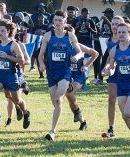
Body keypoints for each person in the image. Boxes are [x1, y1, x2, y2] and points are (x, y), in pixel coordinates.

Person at [38, 10, 83, 141]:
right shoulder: (47, 35)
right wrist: (41, 64)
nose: (57, 23)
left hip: (65, 71)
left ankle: (52, 131)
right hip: (52, 73)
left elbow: (80, 53)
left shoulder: (70, 36)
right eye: (56, 20)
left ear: (65, 22)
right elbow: (40, 55)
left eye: (60, 21)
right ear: (53, 21)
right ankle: (80, 117)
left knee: (58, 99)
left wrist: (75, 56)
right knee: (56, 103)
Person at [0, 19, 30, 129]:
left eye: (2, 31)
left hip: (11, 76)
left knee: (17, 100)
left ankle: (25, 112)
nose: (0, 33)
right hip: (0, 75)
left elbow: (21, 60)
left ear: (8, 31)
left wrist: (8, 56)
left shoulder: (14, 45)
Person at [100, 16, 124, 138]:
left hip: (126, 74)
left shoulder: (127, 40)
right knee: (111, 100)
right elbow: (109, 58)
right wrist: (105, 69)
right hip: (113, 74)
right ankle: (111, 128)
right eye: (113, 24)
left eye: (117, 24)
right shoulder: (108, 40)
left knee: (124, 103)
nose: (114, 26)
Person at [66, 42, 99, 130]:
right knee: (71, 102)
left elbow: (95, 53)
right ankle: (82, 122)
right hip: (66, 75)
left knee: (69, 92)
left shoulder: (78, 46)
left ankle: (78, 113)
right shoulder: (61, 44)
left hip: (78, 76)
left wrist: (86, 65)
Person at [74, 8, 97, 78]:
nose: (86, 15)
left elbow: (95, 32)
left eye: (87, 14)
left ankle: (85, 76)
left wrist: (89, 28)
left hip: (87, 42)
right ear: (81, 13)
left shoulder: (90, 21)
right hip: (78, 42)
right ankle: (76, 74)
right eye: (85, 14)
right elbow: (70, 32)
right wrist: (76, 27)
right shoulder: (76, 20)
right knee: (77, 59)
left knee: (87, 59)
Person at [30, 13, 49, 78]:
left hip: (46, 45)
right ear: (38, 19)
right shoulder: (35, 27)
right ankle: (41, 74)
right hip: (37, 45)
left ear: (44, 19)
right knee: (38, 59)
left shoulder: (46, 27)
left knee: (46, 59)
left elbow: (49, 36)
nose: (41, 19)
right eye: (39, 18)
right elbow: (32, 36)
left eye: (42, 18)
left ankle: (47, 73)